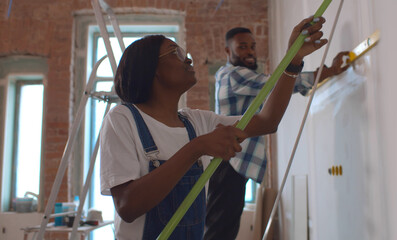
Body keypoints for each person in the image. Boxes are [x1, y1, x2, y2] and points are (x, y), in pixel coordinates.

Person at [99, 16, 328, 240]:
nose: (188, 60)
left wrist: (293, 61)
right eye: (175, 53)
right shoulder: (123, 119)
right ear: (151, 68)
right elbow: (127, 206)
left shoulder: (196, 122)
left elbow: (268, 120)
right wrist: (196, 148)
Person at [204, 27, 349, 239]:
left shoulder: (239, 77)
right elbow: (273, 84)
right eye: (242, 47)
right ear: (228, 51)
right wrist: (327, 71)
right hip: (228, 162)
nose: (250, 51)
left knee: (224, 229)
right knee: (219, 231)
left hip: (233, 162)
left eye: (252, 46)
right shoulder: (231, 75)